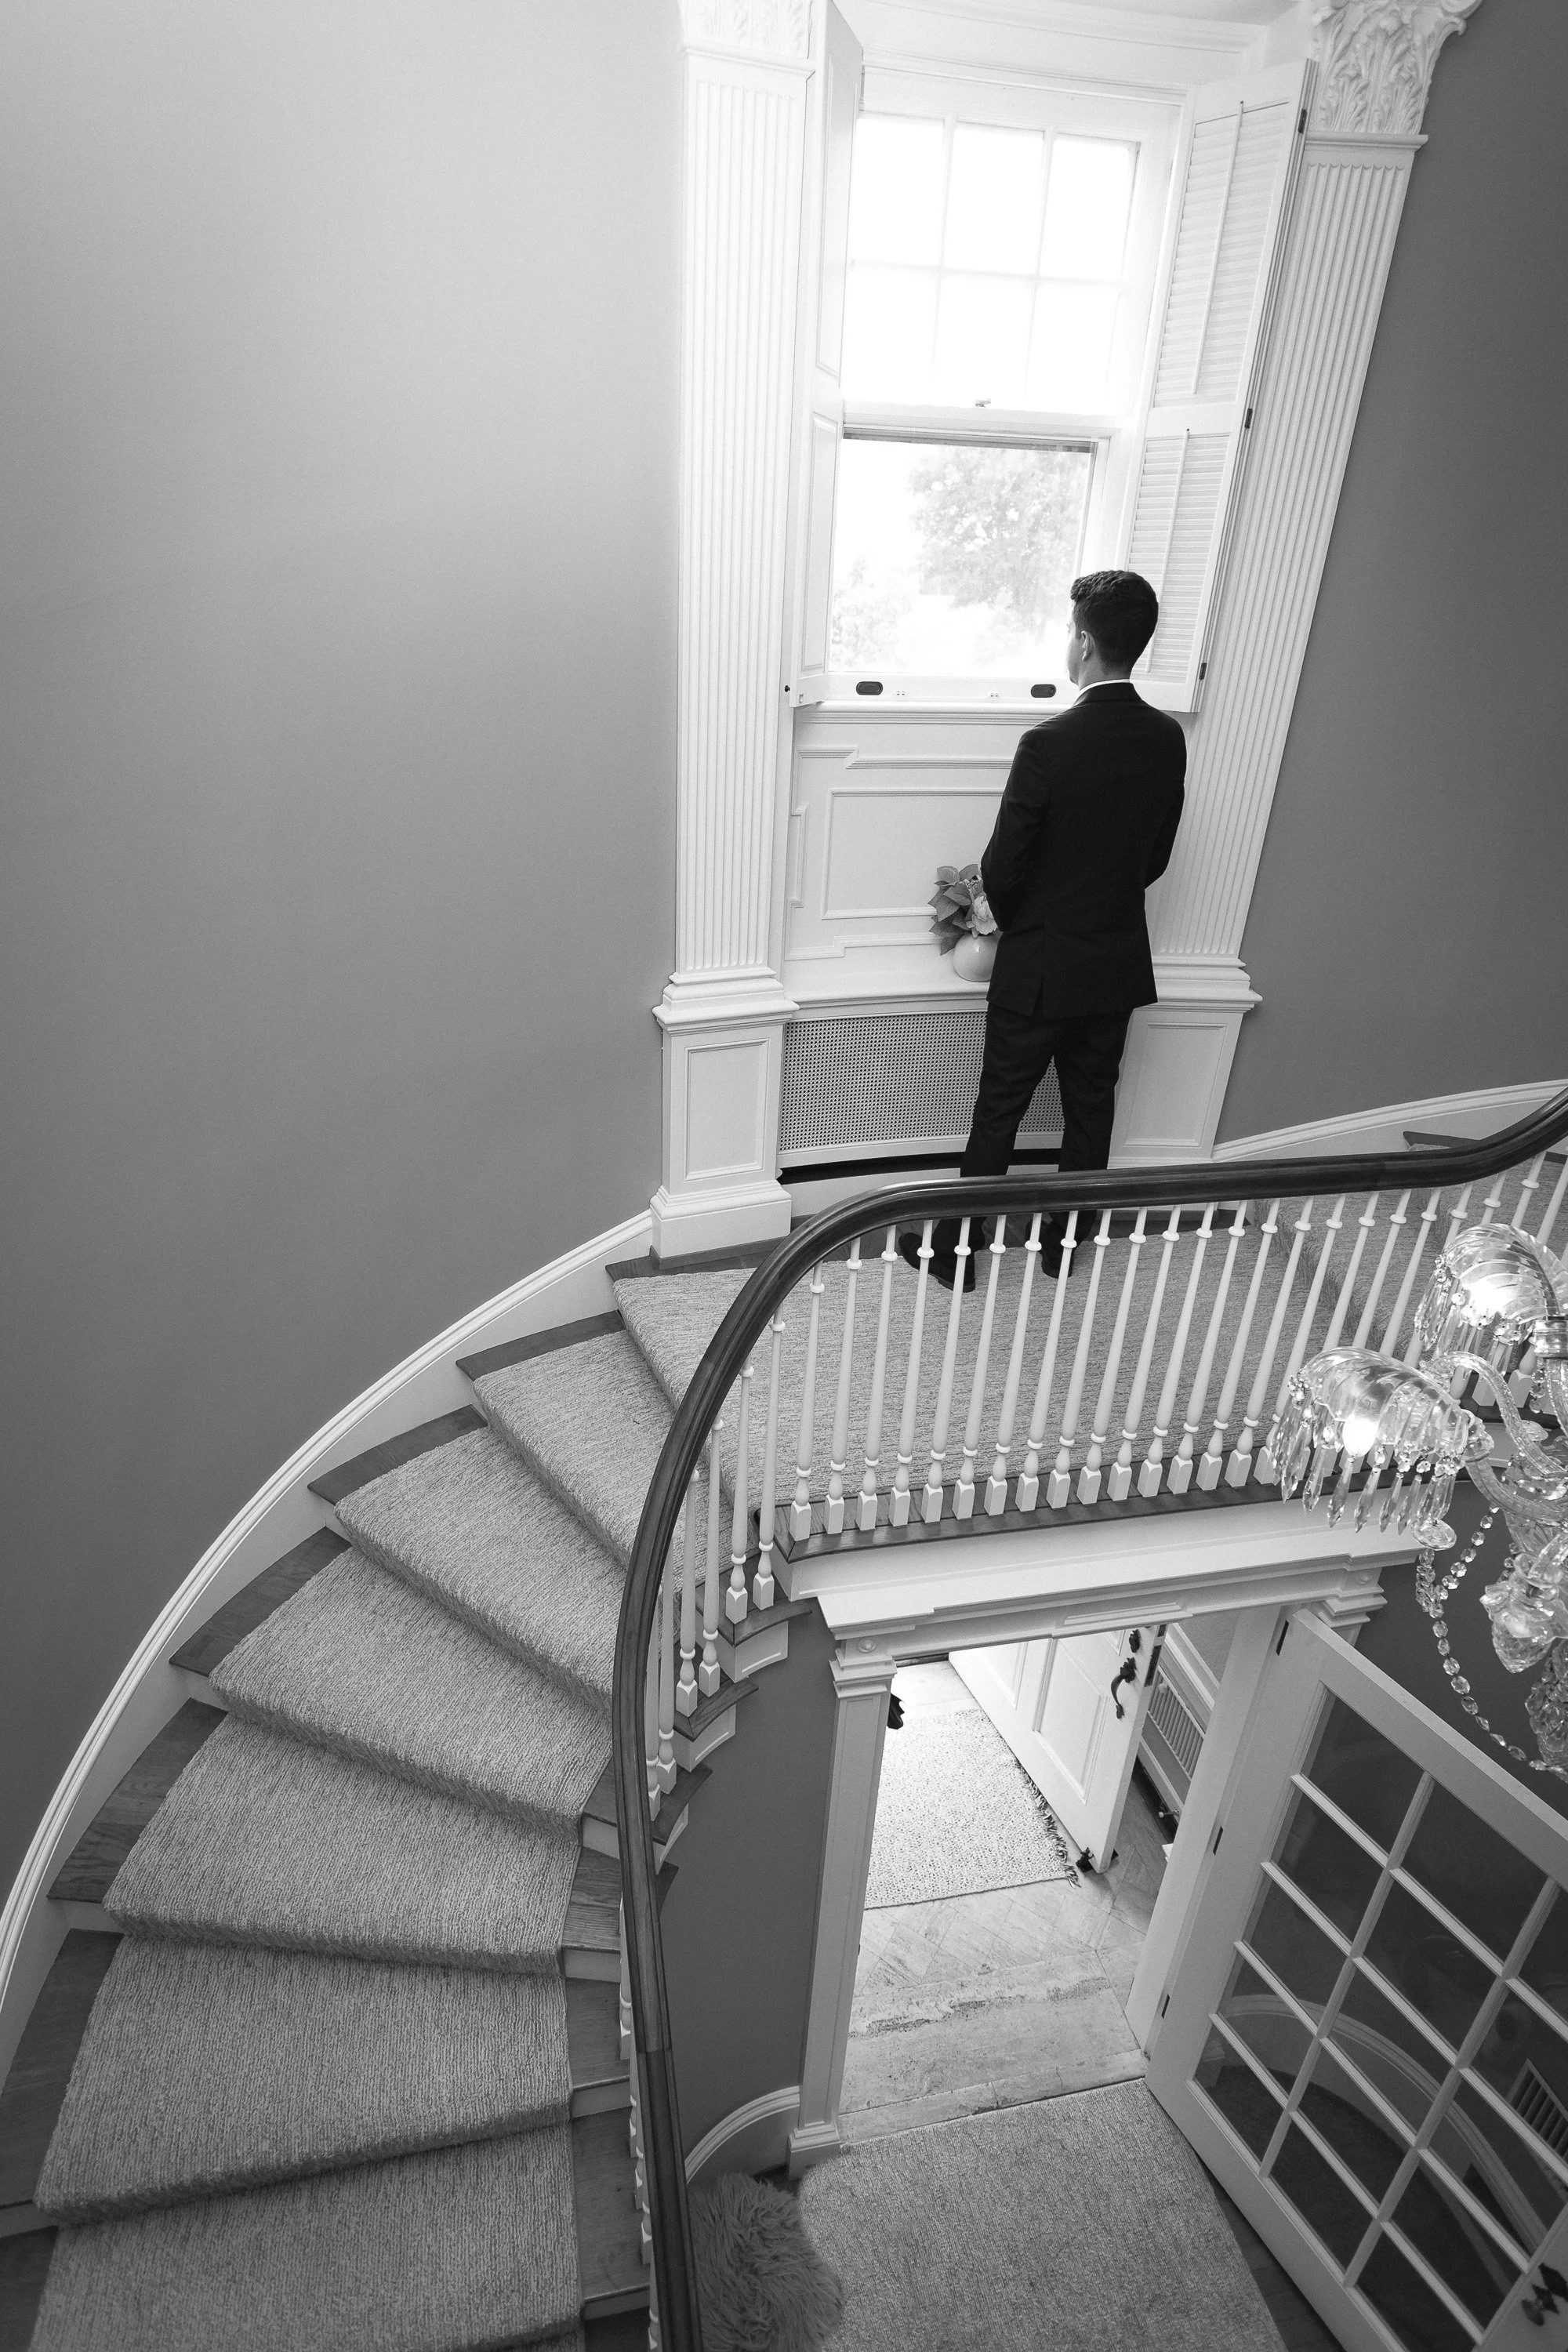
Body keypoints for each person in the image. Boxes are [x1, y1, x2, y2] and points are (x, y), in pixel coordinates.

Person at [902, 569, 1185, 1292]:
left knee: (999, 1110)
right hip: (1114, 962)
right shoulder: (1167, 739)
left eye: (1068, 632)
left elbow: (1004, 869)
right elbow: (1154, 859)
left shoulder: (1046, 743)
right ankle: (1064, 1245)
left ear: (1084, 643)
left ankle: (956, 1256)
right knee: (1091, 1110)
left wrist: (1019, 921)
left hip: (1038, 968)